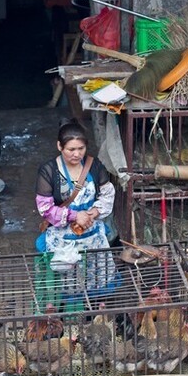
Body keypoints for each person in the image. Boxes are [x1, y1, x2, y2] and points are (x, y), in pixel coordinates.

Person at [35, 119, 118, 297]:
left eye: (80, 149)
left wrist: (95, 212)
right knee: (68, 286)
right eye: (71, 149)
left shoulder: (94, 166)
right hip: (63, 240)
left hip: (92, 236)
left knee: (97, 284)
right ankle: (68, 314)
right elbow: (45, 208)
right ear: (59, 146)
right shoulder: (49, 171)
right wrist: (74, 216)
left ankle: (95, 313)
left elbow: (107, 193)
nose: (76, 154)